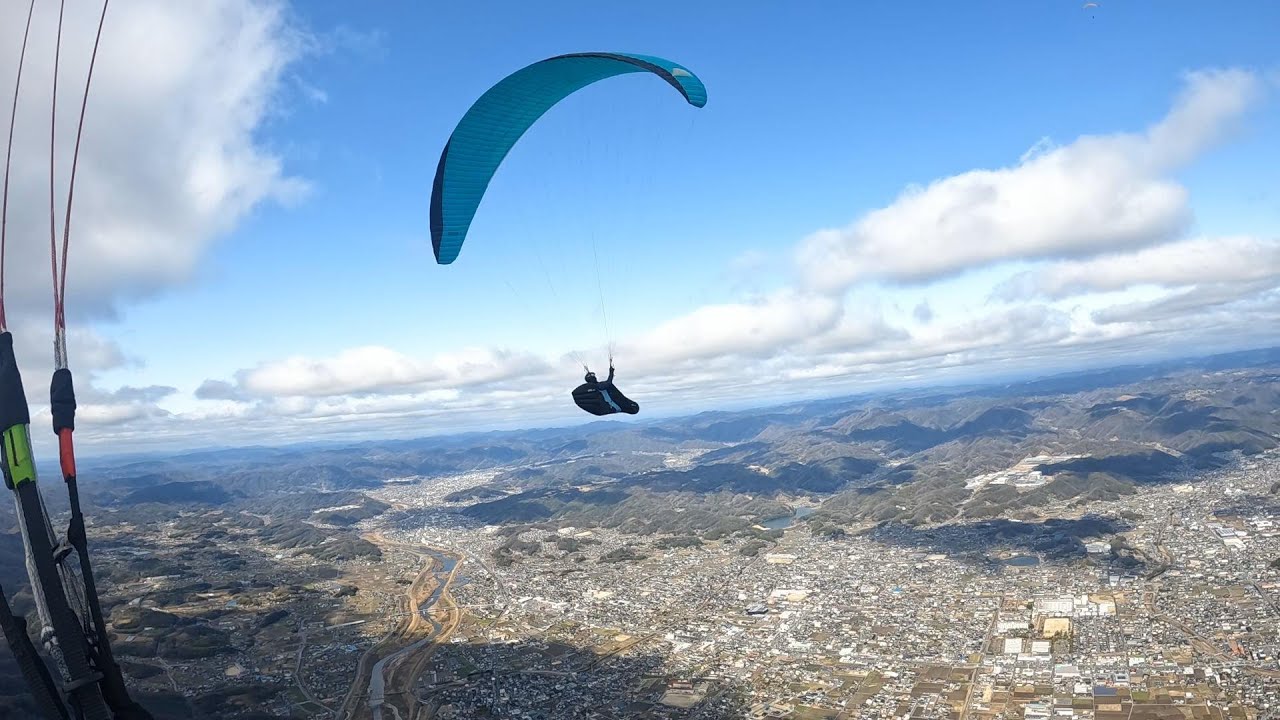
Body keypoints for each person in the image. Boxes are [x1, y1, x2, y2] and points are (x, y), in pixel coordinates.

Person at [571, 363, 639, 416]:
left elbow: (607, 384)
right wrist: (611, 372)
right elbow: (608, 383)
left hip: (603, 409)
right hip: (608, 406)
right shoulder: (598, 386)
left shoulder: (591, 387)